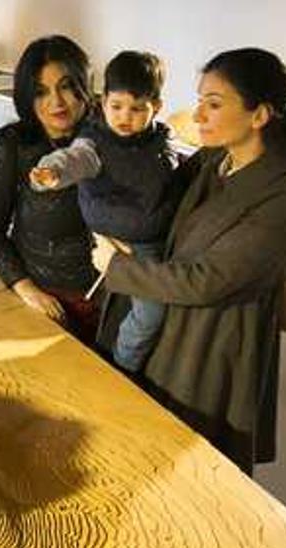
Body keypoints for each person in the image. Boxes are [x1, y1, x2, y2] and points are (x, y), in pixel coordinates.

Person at [92, 48, 286, 473]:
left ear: (259, 115)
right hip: (169, 317)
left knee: (191, 464)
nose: (198, 116)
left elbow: (206, 281)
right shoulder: (213, 160)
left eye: (213, 104)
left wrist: (116, 267)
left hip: (211, 345)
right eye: (199, 101)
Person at [28, 50, 184, 372]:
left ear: (157, 107)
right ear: (102, 103)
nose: (125, 117)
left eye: (137, 108)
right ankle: (121, 367)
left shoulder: (163, 141)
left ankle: (123, 358)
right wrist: (52, 172)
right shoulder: (95, 142)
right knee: (149, 309)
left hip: (151, 238)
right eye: (116, 107)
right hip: (111, 236)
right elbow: (76, 159)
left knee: (151, 310)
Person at [0, 35, 100, 343]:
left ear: (84, 83)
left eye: (67, 86)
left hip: (110, 293)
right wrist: (27, 289)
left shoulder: (109, 135)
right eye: (41, 92)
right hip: (46, 293)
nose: (56, 102)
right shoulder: (12, 145)